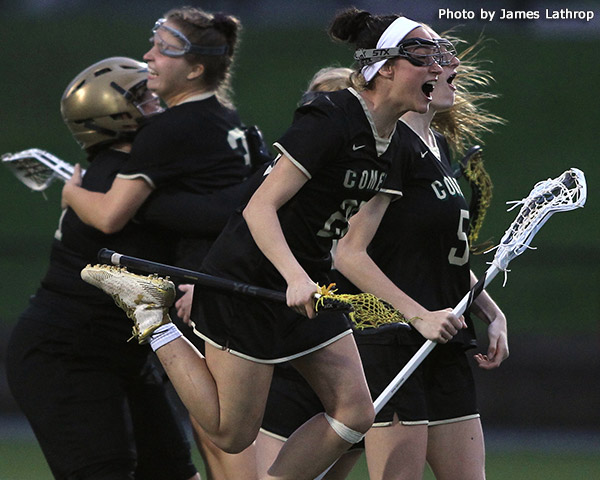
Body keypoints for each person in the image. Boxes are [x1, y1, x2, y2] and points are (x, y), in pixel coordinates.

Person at [82, 8, 455, 480]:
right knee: (231, 435)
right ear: (384, 68)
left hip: (307, 282)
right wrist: (294, 276)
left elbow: (354, 241)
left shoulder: (395, 142)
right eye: (423, 57)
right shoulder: (332, 117)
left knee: (356, 413)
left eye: (438, 56)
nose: (439, 67)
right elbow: (259, 207)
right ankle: (152, 316)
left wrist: (412, 308)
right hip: (250, 277)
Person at [60, 7, 260, 479]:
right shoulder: (226, 118)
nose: (148, 56)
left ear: (194, 69)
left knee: (223, 431)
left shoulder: (167, 130)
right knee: (231, 430)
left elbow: (109, 215)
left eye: (164, 50)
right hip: (232, 281)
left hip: (204, 289)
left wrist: (71, 192)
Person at [5, 56, 201, 480]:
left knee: (176, 473)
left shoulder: (120, 174)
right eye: (143, 98)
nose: (158, 102)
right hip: (69, 353)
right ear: (115, 117)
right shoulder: (117, 179)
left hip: (122, 351)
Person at [334, 28, 509, 480]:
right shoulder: (390, 146)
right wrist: (418, 316)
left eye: (445, 57)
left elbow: (440, 256)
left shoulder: (438, 147)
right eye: (433, 59)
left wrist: (490, 311)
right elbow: (347, 253)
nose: (452, 66)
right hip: (392, 338)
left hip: (444, 337)